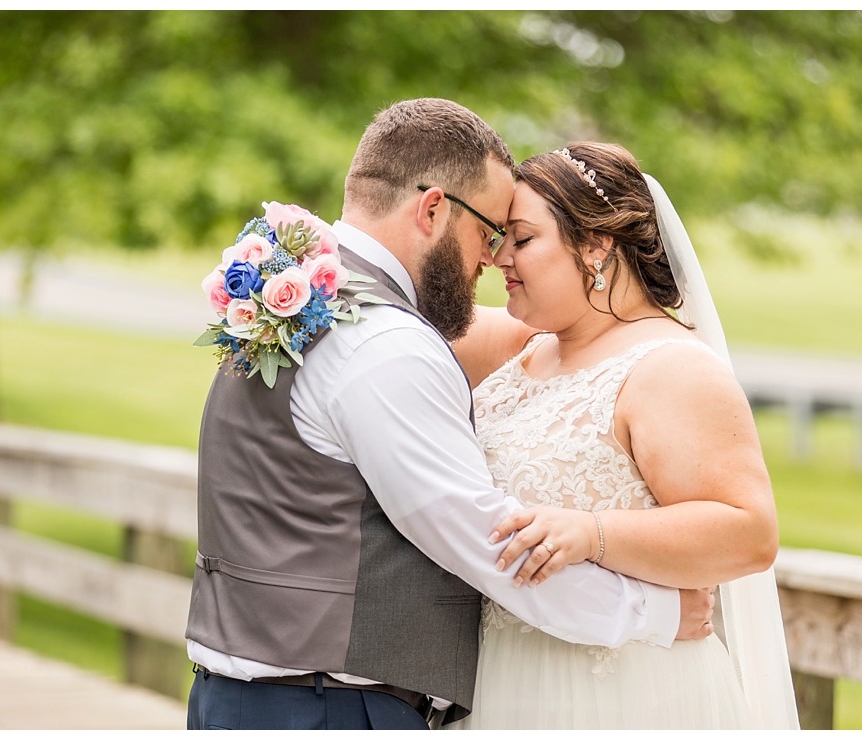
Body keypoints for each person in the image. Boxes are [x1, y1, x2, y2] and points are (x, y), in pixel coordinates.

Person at [184, 100, 715, 731]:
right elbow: (480, 539)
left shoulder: (310, 300)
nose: (493, 259)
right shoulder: (384, 343)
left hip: (253, 694)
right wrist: (656, 613)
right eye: (491, 231)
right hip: (327, 707)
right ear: (433, 209)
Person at [445, 143, 800, 729]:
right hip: (504, 682)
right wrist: (289, 267)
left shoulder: (671, 367)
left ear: (595, 245)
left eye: (523, 238)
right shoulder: (526, 343)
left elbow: (750, 532)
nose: (499, 257)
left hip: (625, 694)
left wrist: (593, 533)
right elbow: (393, 310)